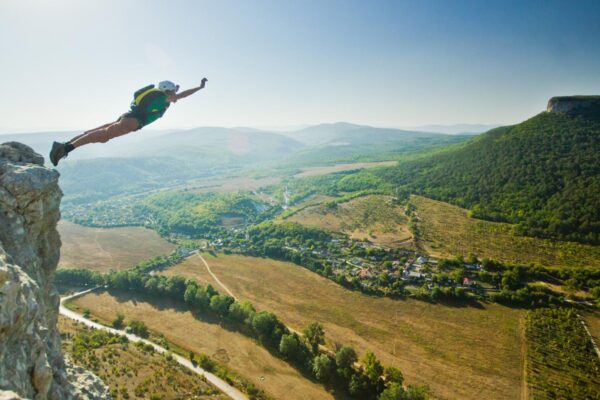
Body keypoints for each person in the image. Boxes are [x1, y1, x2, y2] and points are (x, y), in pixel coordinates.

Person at [49, 78, 208, 166]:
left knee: (98, 134)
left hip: (127, 116)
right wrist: (199, 87)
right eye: (173, 92)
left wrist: (175, 88)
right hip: (132, 122)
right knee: (103, 136)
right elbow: (183, 95)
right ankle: (66, 148)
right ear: (168, 92)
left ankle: (65, 145)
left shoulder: (157, 96)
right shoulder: (162, 98)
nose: (175, 96)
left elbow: (176, 94)